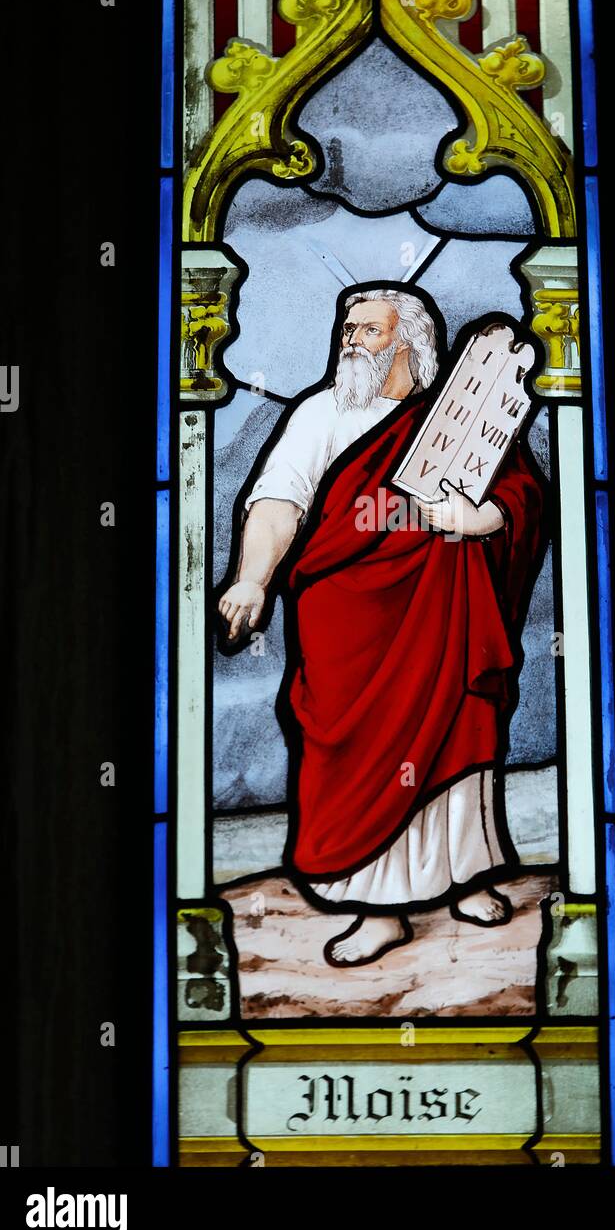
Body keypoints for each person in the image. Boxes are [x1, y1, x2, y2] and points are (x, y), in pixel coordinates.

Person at [218, 287, 544, 966]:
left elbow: (520, 492)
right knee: (358, 755)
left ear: (409, 343)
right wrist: (252, 576)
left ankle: (464, 875)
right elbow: (280, 498)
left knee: (458, 728)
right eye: (348, 327)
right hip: (349, 629)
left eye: (367, 329)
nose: (351, 339)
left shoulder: (456, 416)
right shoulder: (322, 414)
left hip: (444, 614)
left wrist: (479, 520)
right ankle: (378, 907)